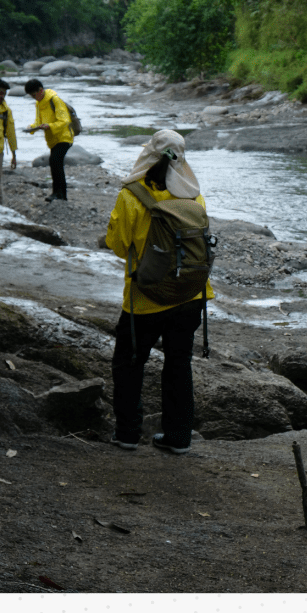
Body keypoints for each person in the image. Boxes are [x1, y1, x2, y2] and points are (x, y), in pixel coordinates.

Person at [105, 130, 214, 456]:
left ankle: (127, 434)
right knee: (178, 364)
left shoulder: (131, 196)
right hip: (191, 296)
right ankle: (178, 438)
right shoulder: (194, 195)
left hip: (146, 299)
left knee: (129, 364)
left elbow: (118, 245)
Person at [24, 78, 73, 202]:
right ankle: (61, 194)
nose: (34, 98)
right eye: (31, 96)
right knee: (55, 164)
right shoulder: (39, 103)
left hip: (64, 137)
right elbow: (38, 122)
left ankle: (59, 194)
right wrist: (32, 128)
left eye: (34, 95)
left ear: (40, 90)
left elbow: (65, 120)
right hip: (53, 139)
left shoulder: (54, 99)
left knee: (55, 161)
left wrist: (49, 126)